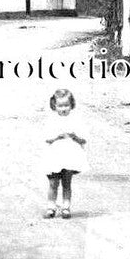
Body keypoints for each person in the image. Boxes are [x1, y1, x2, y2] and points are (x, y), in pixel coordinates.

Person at [41, 88, 87, 219]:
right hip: (55, 155)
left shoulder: (76, 120)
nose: (63, 109)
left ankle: (66, 207)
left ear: (71, 105)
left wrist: (75, 136)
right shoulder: (52, 120)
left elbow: (84, 139)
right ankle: (51, 207)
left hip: (69, 155)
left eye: (66, 105)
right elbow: (46, 138)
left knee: (67, 182)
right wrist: (57, 136)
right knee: (53, 182)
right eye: (60, 106)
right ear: (54, 106)